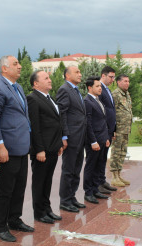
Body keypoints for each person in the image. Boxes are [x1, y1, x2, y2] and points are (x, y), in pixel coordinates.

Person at [0, 55, 33, 243]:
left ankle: (14, 219)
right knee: (5, 190)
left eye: (19, 64)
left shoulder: (18, 87)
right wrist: (0, 145)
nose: (20, 67)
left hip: (21, 147)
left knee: (19, 187)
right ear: (4, 69)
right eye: (15, 64)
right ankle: (0, 227)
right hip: (8, 148)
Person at [27, 70, 64, 224]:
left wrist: (59, 144)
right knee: (39, 182)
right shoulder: (33, 99)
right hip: (42, 150)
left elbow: (55, 122)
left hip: (53, 147)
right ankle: (39, 212)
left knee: (47, 181)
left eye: (49, 78)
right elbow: (35, 126)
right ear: (36, 84)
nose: (50, 80)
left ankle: (47, 209)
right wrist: (39, 149)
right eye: (46, 78)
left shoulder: (50, 98)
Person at [56, 66, 87, 213]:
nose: (80, 74)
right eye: (77, 72)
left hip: (80, 136)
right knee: (68, 170)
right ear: (67, 75)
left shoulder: (75, 90)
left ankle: (72, 197)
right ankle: (65, 200)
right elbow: (62, 114)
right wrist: (64, 136)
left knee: (76, 168)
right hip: (71, 136)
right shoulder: (64, 90)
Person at [83, 76, 110, 204]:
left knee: (99, 165)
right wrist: (93, 141)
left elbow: (102, 121)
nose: (100, 88)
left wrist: (106, 138)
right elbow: (88, 123)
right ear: (90, 88)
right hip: (93, 141)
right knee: (90, 166)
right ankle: (88, 192)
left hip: (102, 139)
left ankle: (95, 189)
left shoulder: (98, 100)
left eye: (100, 86)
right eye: (97, 86)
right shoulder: (87, 101)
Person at [110, 74, 133, 187]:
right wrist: (112, 129)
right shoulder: (115, 94)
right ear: (118, 82)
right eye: (125, 81)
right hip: (118, 130)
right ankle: (114, 177)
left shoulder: (126, 94)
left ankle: (119, 175)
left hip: (125, 129)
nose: (127, 83)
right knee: (116, 152)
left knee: (123, 152)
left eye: (128, 81)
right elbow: (111, 113)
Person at [97, 66, 117, 194]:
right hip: (102, 131)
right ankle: (97, 184)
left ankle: (102, 180)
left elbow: (111, 111)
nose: (112, 80)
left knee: (104, 157)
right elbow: (101, 112)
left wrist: (113, 129)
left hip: (109, 130)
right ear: (103, 76)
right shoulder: (99, 89)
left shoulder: (107, 90)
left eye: (114, 77)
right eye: (111, 77)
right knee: (99, 158)